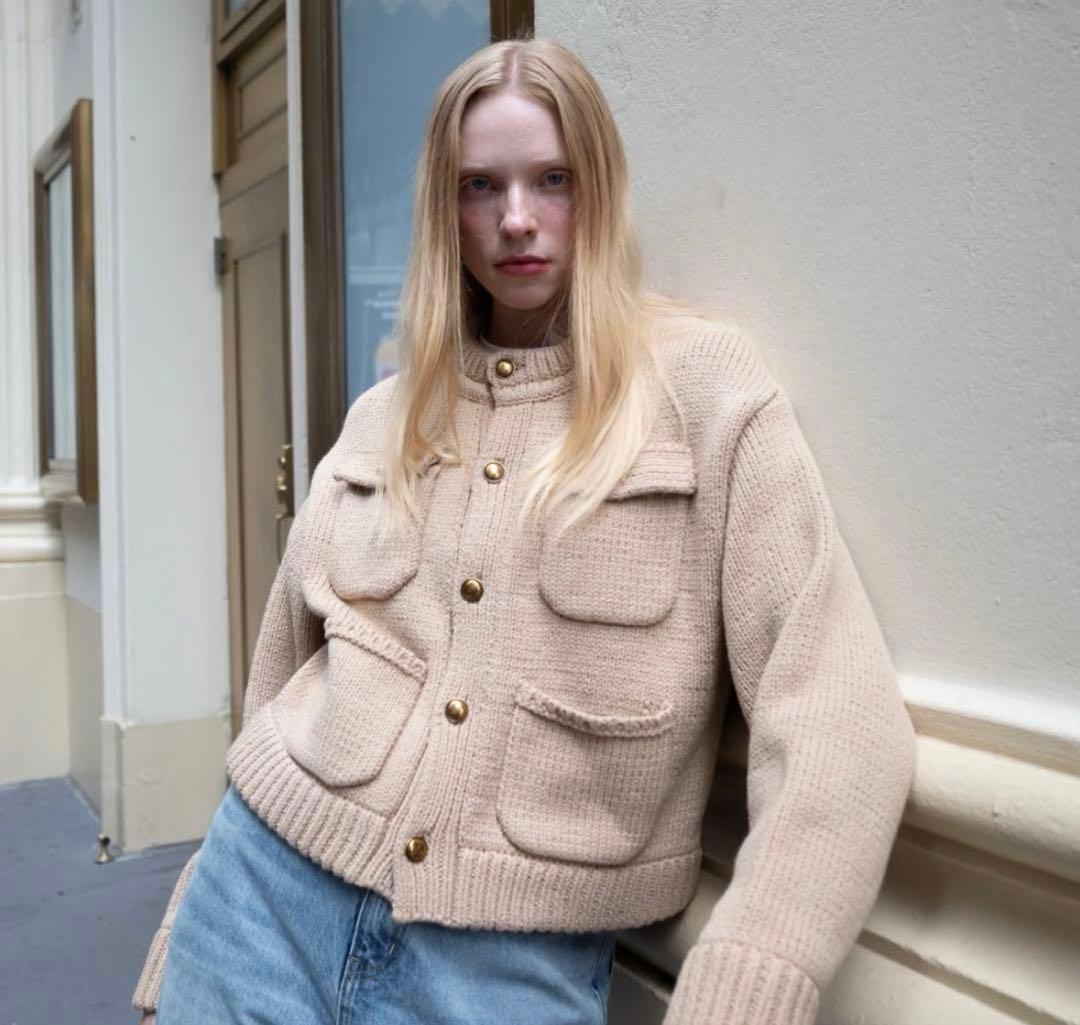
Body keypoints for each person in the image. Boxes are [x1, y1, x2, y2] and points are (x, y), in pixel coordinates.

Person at [133, 35, 916, 1025]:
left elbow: (845, 724)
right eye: (479, 186)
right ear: (444, 209)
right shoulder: (383, 416)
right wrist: (181, 929)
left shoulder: (709, 399)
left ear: (600, 186)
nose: (515, 219)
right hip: (257, 901)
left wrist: (747, 983)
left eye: (553, 179)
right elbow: (281, 679)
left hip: (502, 970)